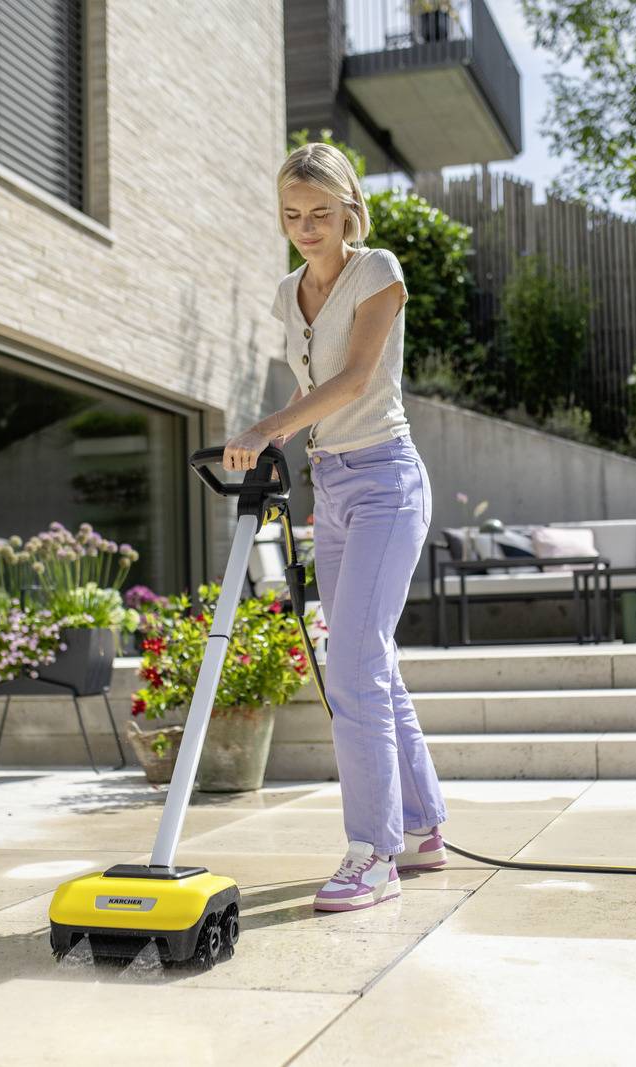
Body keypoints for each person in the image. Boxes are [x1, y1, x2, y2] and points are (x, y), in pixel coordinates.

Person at [221, 143, 448, 912]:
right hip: (336, 483)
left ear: (350, 208)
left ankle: (372, 852)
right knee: (367, 660)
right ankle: (419, 830)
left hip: (387, 478)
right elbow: (313, 381)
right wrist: (294, 440)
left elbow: (354, 378)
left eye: (320, 212)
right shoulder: (290, 291)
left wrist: (271, 427)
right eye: (292, 215)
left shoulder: (377, 271)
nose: (307, 227)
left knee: (353, 668)